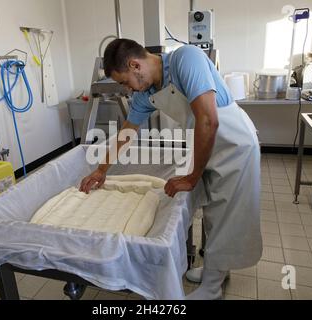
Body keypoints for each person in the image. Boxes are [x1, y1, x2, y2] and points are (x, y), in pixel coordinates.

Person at [79, 39, 263, 300]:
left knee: (228, 215)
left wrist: (192, 176)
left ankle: (212, 288)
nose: (127, 89)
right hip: (207, 146)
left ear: (135, 65)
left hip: (233, 145)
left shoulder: (186, 59)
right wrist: (101, 170)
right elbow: (126, 133)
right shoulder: (146, 94)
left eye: (124, 82)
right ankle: (216, 269)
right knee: (213, 211)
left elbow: (209, 119)